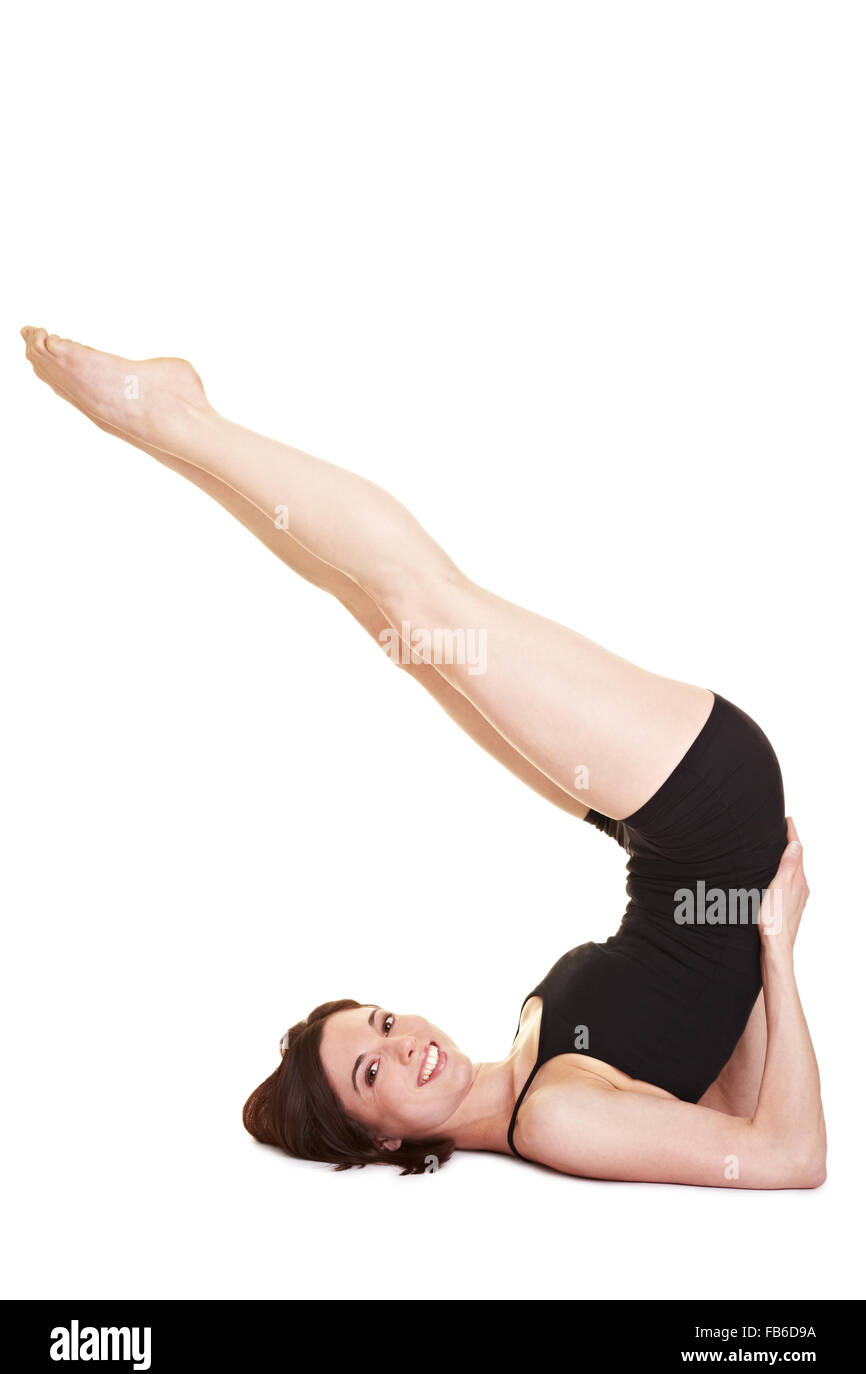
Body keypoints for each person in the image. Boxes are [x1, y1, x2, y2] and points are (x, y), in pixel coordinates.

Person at [21, 326, 826, 1188]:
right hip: (708, 815)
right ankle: (169, 413)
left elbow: (711, 1085)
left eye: (380, 1023)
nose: (404, 1046)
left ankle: (173, 432)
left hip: (655, 837)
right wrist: (773, 947)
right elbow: (781, 1150)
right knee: (432, 608)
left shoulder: (525, 1065)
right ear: (379, 1143)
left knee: (395, 630)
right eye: (374, 1074)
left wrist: (739, 929)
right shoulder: (554, 1119)